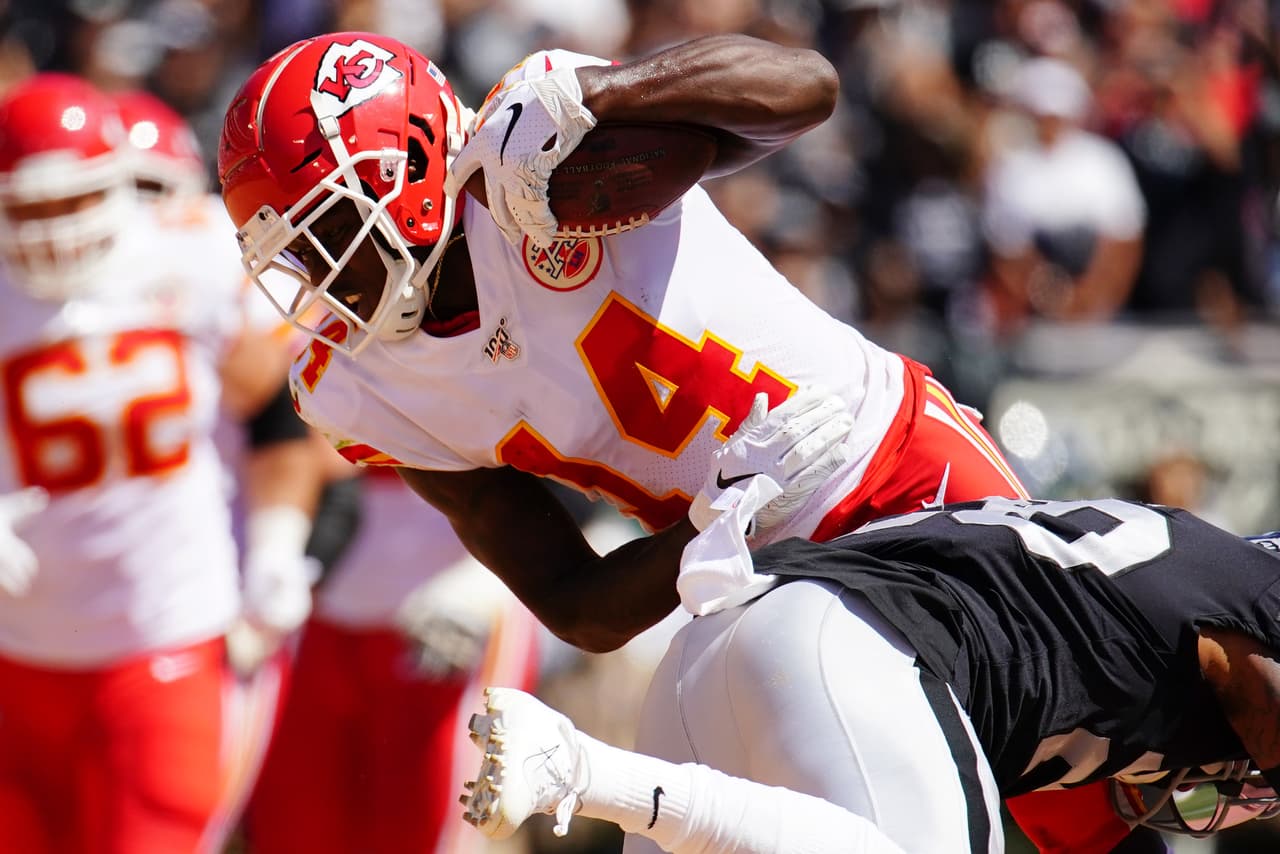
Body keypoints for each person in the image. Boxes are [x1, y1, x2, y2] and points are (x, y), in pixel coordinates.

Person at [460, 494, 1280, 853]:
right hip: (859, 656)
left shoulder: (1170, 588)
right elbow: (1258, 691)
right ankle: (585, 770)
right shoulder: (1255, 600)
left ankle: (600, 776)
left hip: (725, 651)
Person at [0, 73, 317, 853]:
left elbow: (284, 410)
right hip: (17, 654)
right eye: (30, 208)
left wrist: (277, 546)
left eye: (73, 201)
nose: (53, 231)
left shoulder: (196, 254)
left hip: (165, 637)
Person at [243, 462, 541, 854]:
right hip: (310, 613)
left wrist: (490, 576)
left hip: (448, 619)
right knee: (291, 835)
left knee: (428, 836)